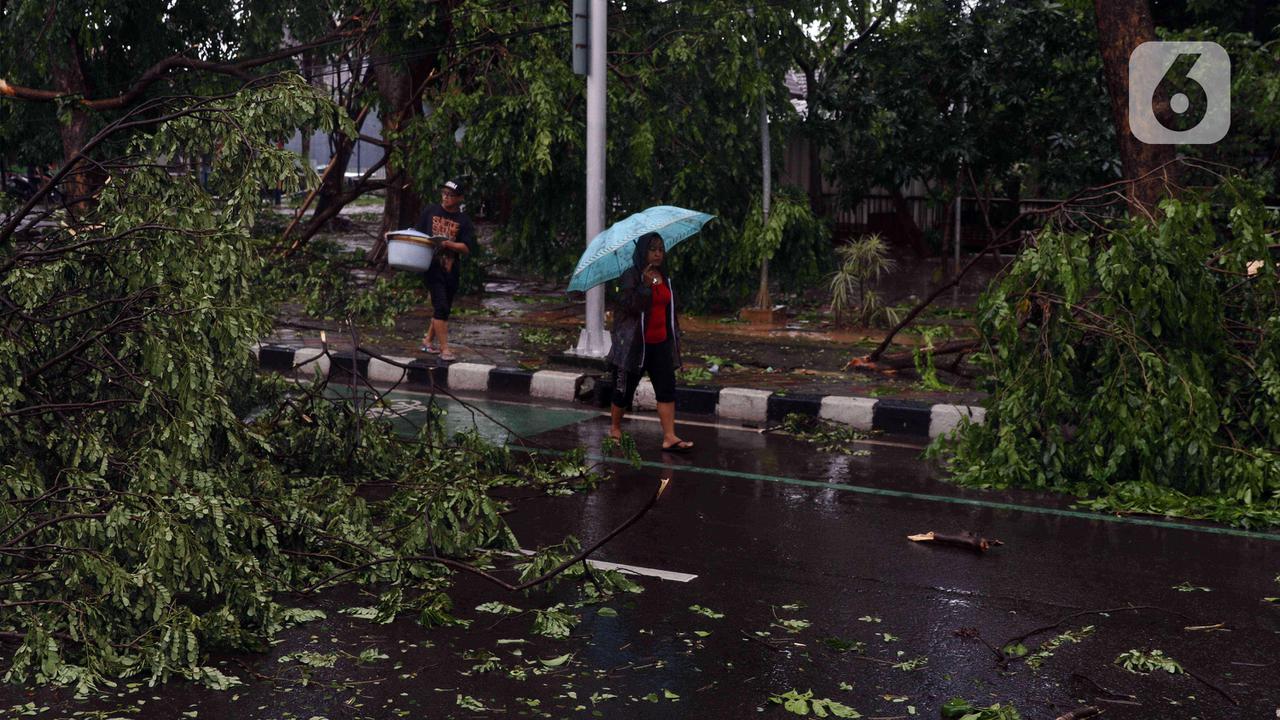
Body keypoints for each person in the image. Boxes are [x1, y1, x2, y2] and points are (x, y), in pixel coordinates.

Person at [606, 232, 694, 452]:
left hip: (660, 344)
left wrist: (674, 340)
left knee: (666, 389)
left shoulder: (664, 276)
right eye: (652, 249)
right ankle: (615, 428)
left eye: (661, 250)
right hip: (635, 346)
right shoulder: (631, 276)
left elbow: (670, 308)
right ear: (642, 252)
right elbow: (629, 306)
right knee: (624, 391)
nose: (657, 254)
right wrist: (644, 286)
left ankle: (669, 436)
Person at [416, 178, 475, 362]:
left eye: (450, 195)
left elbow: (466, 248)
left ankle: (427, 341)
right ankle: (445, 349)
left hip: (451, 268)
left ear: (460, 198)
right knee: (440, 305)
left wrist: (448, 244)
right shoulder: (430, 211)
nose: (446, 197)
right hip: (431, 266)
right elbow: (416, 234)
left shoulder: (463, 221)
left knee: (444, 308)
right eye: (444, 193)